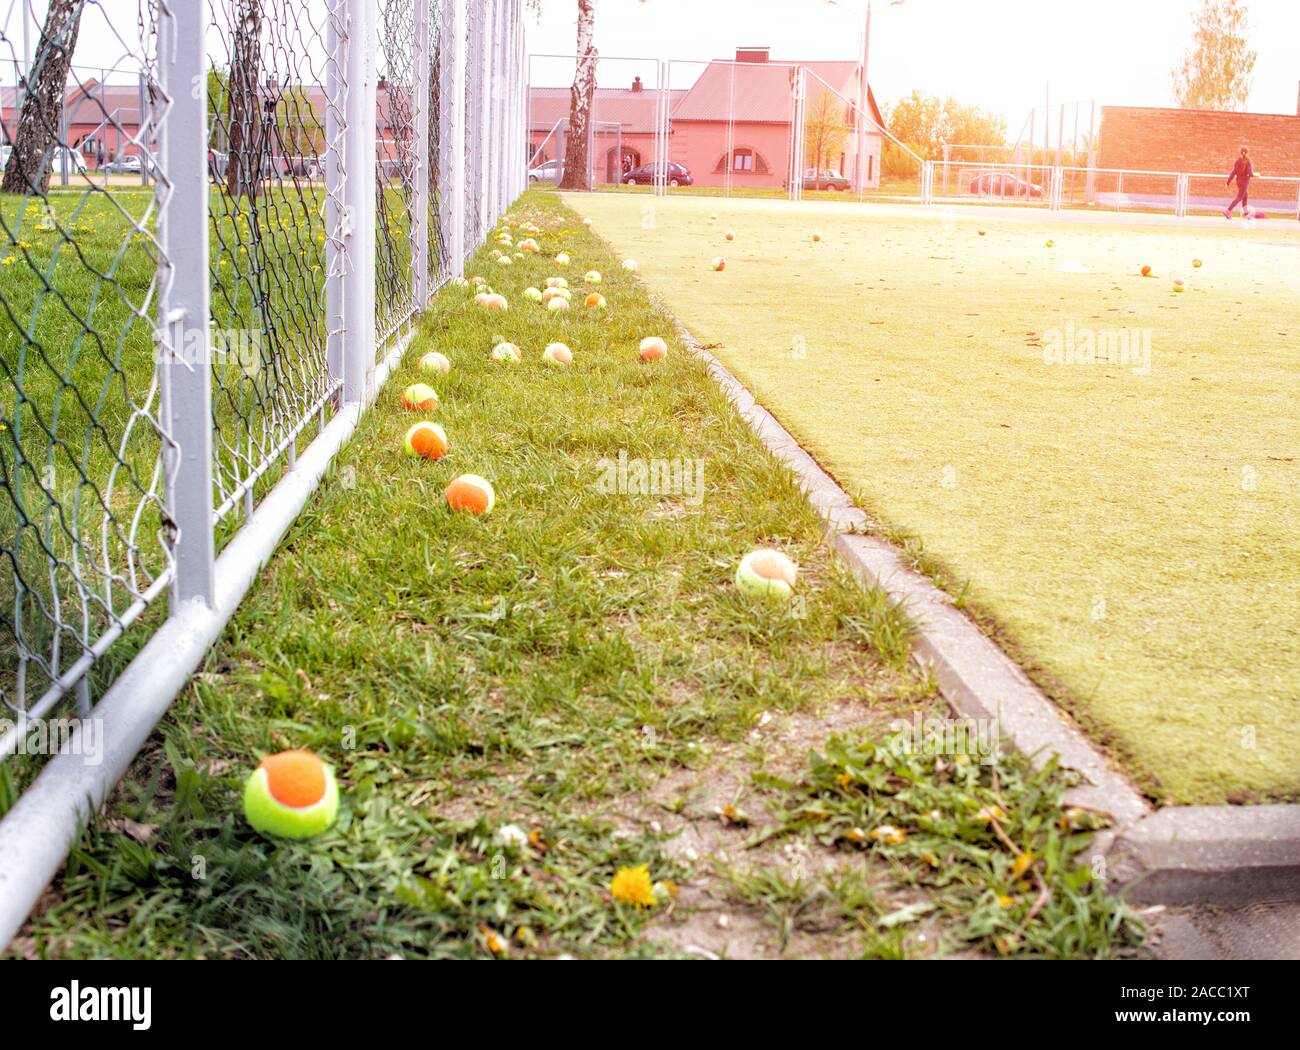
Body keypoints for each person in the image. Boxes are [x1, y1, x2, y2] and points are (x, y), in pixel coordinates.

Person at [1224, 146, 1253, 218]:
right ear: (1247, 153)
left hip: (1239, 182)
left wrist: (1228, 182)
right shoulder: (1248, 162)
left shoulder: (1237, 161)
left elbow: (1233, 172)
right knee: (1239, 197)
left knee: (1245, 196)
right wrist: (1255, 175)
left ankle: (1245, 213)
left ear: (1240, 153)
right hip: (1244, 182)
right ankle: (1228, 210)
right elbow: (1249, 173)